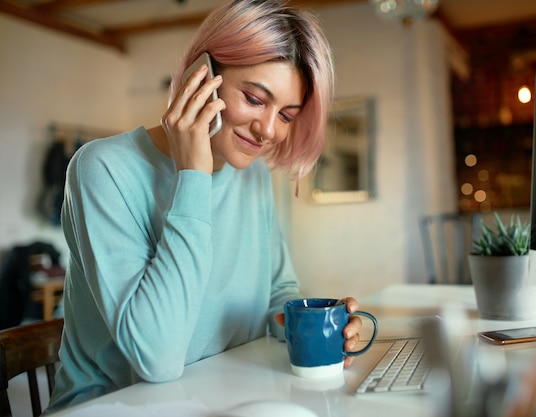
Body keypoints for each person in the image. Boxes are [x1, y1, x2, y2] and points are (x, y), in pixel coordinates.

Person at [46, 0, 365, 412]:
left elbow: (277, 293)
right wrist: (192, 176)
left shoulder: (250, 175)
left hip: (216, 397)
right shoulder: (102, 168)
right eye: (253, 98)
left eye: (286, 115)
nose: (268, 130)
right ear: (203, 76)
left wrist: (316, 327)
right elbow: (156, 359)